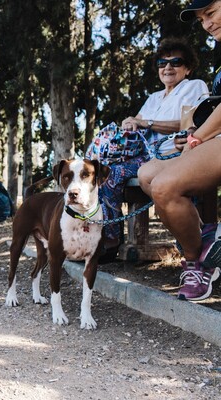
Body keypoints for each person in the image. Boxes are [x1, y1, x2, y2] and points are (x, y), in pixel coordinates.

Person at [90, 37, 208, 260]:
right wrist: (129, 122)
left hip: (174, 152)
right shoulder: (154, 98)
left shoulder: (194, 86)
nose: (168, 67)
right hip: (145, 154)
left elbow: (190, 123)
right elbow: (138, 121)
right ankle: (110, 237)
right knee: (104, 172)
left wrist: (148, 123)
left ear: (188, 67)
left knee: (116, 174)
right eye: (162, 64)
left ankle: (189, 233)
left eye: (176, 62)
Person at [138, 0, 221, 301]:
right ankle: (204, 248)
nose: (207, 24)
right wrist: (193, 134)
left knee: (164, 186)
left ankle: (196, 260)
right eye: (201, 20)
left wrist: (196, 138)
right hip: (209, 137)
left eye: (211, 14)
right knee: (147, 174)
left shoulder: (193, 83)